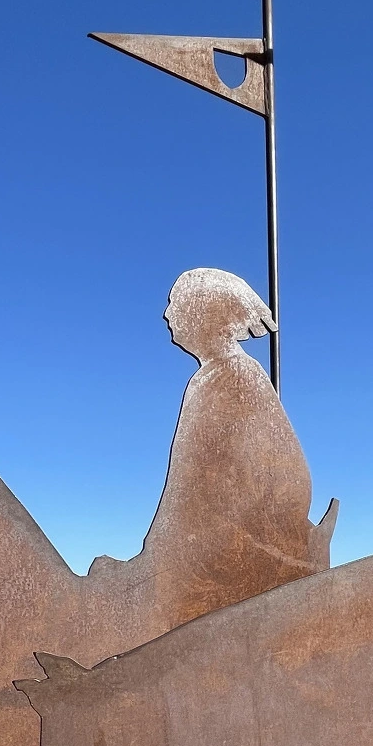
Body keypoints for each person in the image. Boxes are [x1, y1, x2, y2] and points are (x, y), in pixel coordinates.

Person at [90, 268, 323, 625]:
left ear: (209, 314)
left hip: (235, 548)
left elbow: (195, 494)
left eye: (177, 304)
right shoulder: (217, 377)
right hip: (215, 540)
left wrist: (154, 562)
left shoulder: (232, 376)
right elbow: (188, 489)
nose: (167, 314)